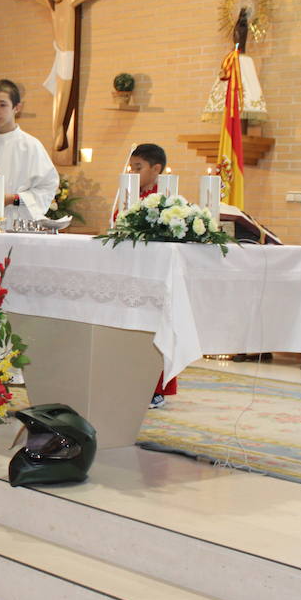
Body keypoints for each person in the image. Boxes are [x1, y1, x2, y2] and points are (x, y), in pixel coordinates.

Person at [22, 0, 115, 161]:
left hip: (67, 56)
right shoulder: (53, 7)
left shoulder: (70, 1)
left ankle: (58, 130)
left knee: (62, 94)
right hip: (59, 54)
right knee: (57, 94)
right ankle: (57, 130)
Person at [0, 79, 60, 229]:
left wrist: (13, 199)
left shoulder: (31, 146)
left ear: (17, 107)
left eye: (2, 105)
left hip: (17, 225)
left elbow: (47, 186)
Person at [122, 142, 177, 410]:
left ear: (157, 169)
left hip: (154, 275)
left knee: (156, 329)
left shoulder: (165, 198)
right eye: (131, 167)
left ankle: (156, 389)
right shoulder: (130, 193)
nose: (132, 173)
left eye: (138, 167)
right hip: (132, 273)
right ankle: (130, 382)